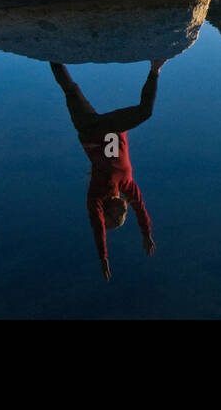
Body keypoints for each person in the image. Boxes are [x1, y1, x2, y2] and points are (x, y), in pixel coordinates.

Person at [51, 59, 167, 280]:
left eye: (118, 216)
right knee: (145, 112)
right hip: (114, 126)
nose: (124, 212)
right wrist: (146, 234)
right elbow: (140, 209)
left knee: (70, 89)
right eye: (124, 215)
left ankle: (51, 53)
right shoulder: (127, 186)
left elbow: (97, 225)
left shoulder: (96, 193)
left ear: (107, 211)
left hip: (91, 129)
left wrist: (103, 258)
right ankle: (155, 69)